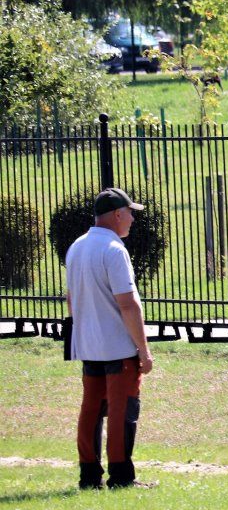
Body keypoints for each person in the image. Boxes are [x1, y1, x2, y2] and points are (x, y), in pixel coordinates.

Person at [66, 188, 155, 490]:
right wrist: (143, 350)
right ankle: (121, 476)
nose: (132, 218)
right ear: (118, 214)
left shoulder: (77, 246)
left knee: (91, 408)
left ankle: (89, 475)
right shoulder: (114, 250)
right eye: (130, 212)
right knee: (121, 410)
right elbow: (128, 304)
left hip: (88, 344)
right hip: (117, 347)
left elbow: (71, 298)